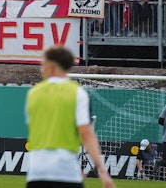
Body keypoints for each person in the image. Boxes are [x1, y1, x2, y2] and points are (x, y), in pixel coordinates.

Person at [25, 45, 114, 187]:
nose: (41, 69)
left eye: (43, 64)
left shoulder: (33, 94)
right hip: (65, 171)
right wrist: (102, 170)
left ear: (52, 67)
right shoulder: (78, 93)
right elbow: (85, 133)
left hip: (36, 173)